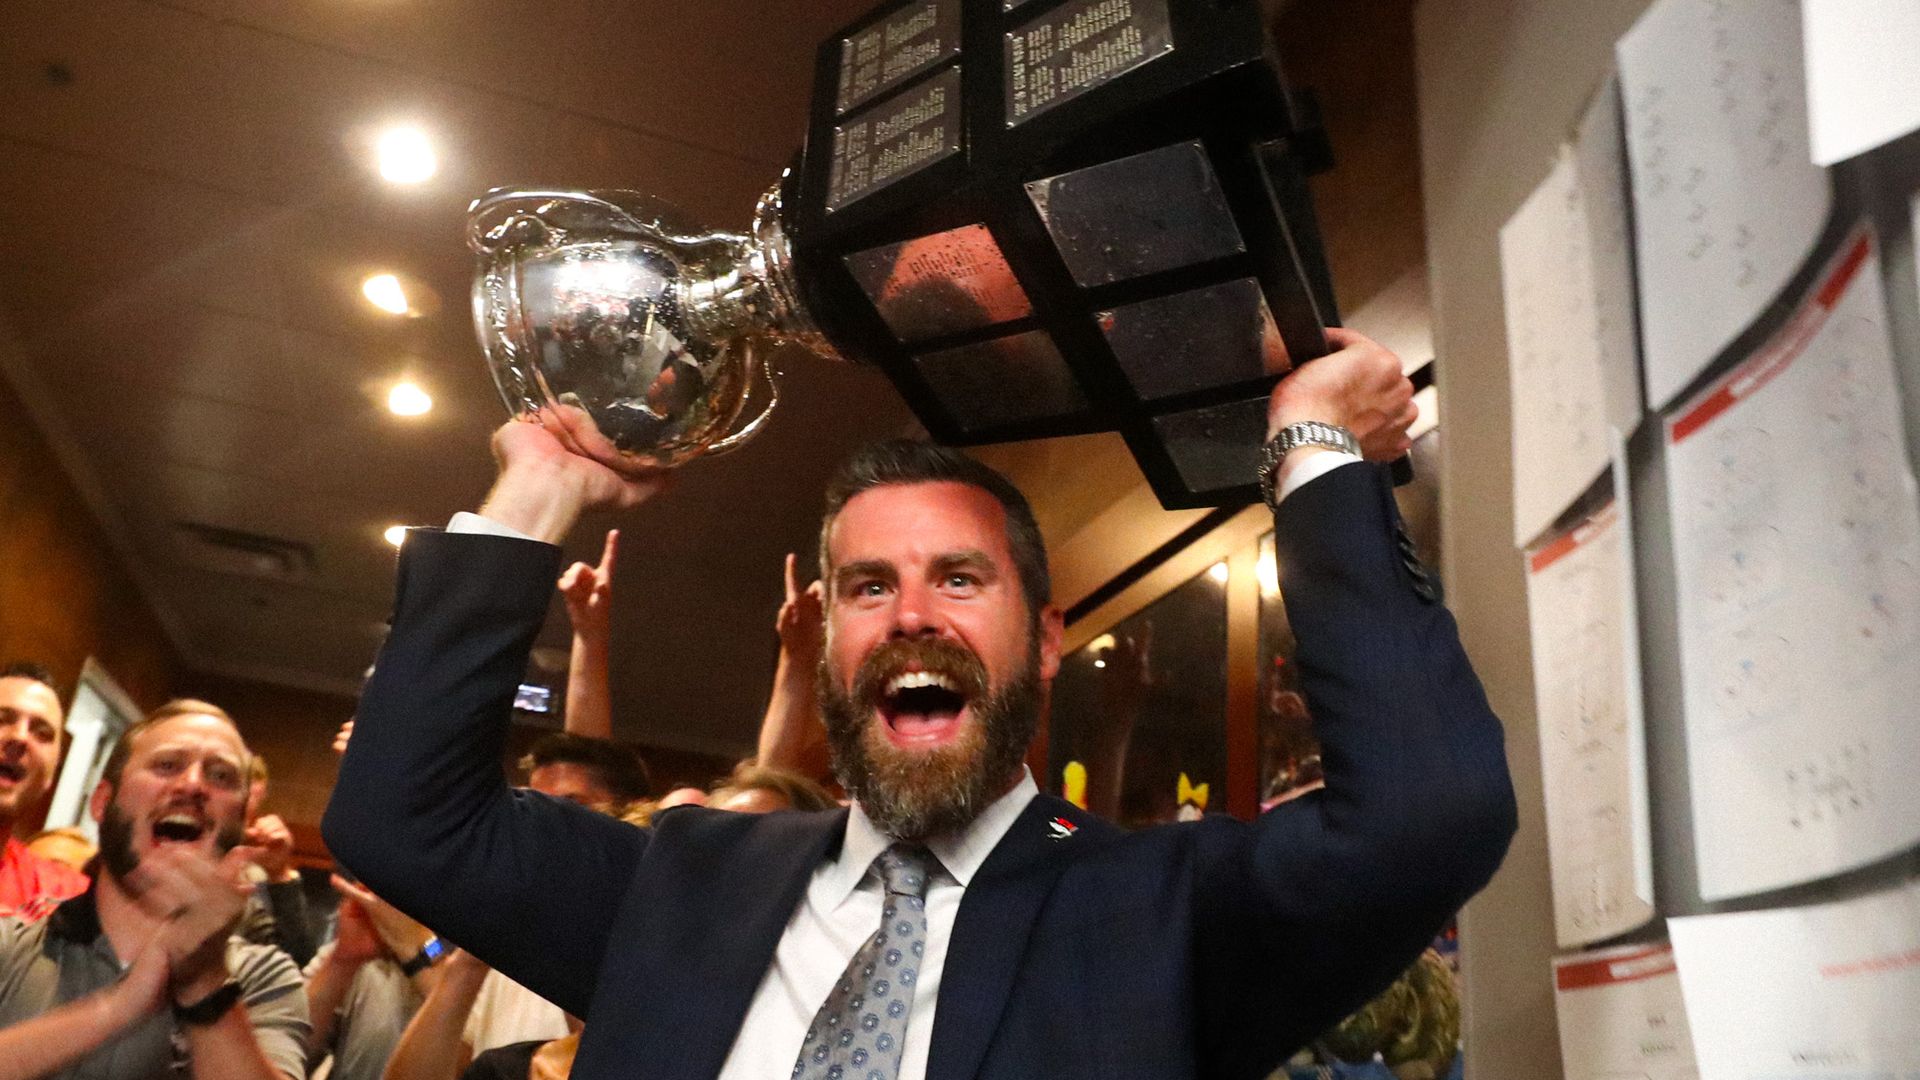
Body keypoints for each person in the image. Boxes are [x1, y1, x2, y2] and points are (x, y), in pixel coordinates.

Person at [325, 329, 1516, 1080]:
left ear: (1044, 644)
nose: (909, 615)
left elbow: (1430, 813)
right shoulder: (680, 883)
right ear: (834, 640)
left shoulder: (1164, 915)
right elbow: (400, 821)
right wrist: (539, 490)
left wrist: (1315, 453)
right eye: (866, 586)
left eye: (959, 578)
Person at [0, 699, 309, 1080]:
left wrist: (205, 981)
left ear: (240, 823)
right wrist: (117, 1009)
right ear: (101, 803)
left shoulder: (266, 978)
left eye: (221, 777)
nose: (193, 785)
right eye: (167, 765)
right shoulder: (9, 945)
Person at [0, 663, 88, 923]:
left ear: (50, 776)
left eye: (43, 733)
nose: (20, 737)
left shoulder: (64, 899)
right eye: (2, 719)